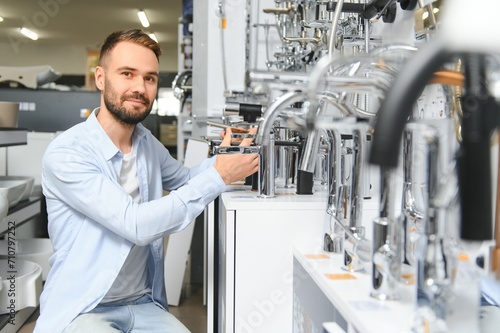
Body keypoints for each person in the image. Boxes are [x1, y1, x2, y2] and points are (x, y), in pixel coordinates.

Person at [34, 29, 259, 333]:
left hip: (142, 303)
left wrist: (224, 159)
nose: (139, 87)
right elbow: (135, 225)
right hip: (83, 309)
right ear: (101, 78)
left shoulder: (146, 143)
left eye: (150, 78)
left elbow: (186, 180)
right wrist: (219, 176)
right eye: (127, 74)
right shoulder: (67, 153)